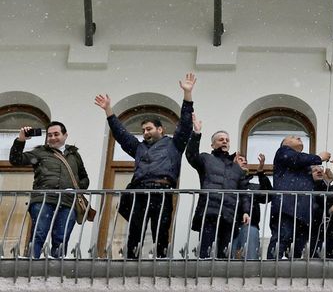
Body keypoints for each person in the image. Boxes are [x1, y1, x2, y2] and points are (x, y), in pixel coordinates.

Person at [94, 73, 196, 259]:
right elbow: (121, 134)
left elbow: (186, 124)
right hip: (139, 192)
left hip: (162, 191)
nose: (145, 132)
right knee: (135, 229)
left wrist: (187, 95)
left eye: (149, 129)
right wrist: (109, 111)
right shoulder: (139, 148)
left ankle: (161, 260)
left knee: (161, 230)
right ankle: (131, 260)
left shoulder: (174, 144)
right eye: (143, 130)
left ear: (160, 129)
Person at [9, 121, 89, 258]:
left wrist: (75, 189)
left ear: (65, 135)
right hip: (43, 199)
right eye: (50, 135)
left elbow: (85, 179)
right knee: (39, 233)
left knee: (61, 237)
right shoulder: (40, 152)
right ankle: (31, 263)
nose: (52, 138)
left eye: (56, 134)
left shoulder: (74, 155)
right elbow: (15, 160)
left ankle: (57, 268)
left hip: (67, 202)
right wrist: (21, 139)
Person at [186, 116, 251, 259]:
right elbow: (191, 155)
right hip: (209, 212)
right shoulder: (206, 159)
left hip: (229, 214)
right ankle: (203, 278)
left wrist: (246, 211)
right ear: (213, 145)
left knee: (224, 254)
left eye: (227, 140)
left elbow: (243, 192)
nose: (225, 142)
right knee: (206, 251)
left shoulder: (236, 169)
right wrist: (196, 134)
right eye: (221, 139)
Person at [268, 136, 330, 259]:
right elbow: (296, 158)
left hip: (303, 212)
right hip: (287, 208)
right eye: (293, 137)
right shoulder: (283, 152)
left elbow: (313, 186)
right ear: (285, 143)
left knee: (297, 247)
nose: (298, 137)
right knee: (282, 238)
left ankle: (291, 271)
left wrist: (325, 181)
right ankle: (272, 268)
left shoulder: (302, 165)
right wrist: (319, 158)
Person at [231, 152, 272, 260]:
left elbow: (267, 195)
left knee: (250, 260)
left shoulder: (251, 187)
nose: (244, 162)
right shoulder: (227, 184)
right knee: (227, 259)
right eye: (240, 160)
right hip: (228, 226)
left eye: (246, 161)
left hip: (250, 226)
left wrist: (260, 173)